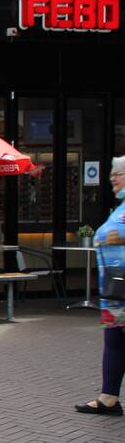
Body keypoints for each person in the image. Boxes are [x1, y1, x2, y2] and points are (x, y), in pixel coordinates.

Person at [75, 156, 125, 417]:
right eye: (112, 174)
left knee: (117, 339)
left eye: (118, 173)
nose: (112, 179)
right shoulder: (120, 208)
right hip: (116, 291)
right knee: (114, 339)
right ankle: (108, 399)